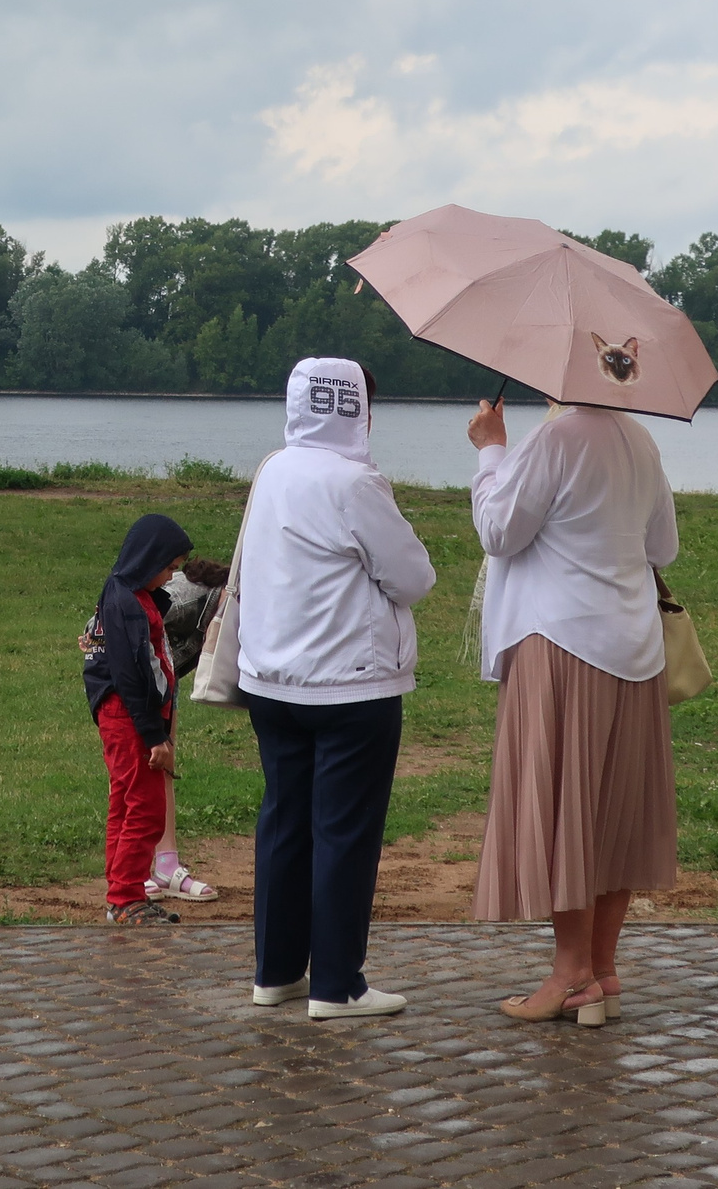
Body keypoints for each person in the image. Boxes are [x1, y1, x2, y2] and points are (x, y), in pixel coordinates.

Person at [466, 397, 680, 1028]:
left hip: (560, 643)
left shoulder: (552, 440)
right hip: (634, 648)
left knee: (566, 811)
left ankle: (569, 973)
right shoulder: (641, 440)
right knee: (613, 812)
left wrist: (490, 449)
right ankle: (602, 972)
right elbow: (662, 546)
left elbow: (498, 531)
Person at [237, 357, 435, 1019]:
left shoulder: (272, 470)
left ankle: (277, 971)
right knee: (345, 833)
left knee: (284, 824)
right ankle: (337, 984)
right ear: (356, 411)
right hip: (353, 686)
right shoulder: (357, 481)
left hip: (271, 679)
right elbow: (413, 577)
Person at [83, 513, 194, 925]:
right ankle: (127, 897)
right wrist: (154, 735)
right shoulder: (127, 602)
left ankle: (120, 895)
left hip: (129, 716)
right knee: (146, 808)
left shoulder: (130, 594)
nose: (169, 578)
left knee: (125, 803)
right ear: (148, 559)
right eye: (167, 568)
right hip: (131, 718)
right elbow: (131, 674)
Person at [147, 558, 230, 904]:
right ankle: (132, 867)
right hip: (132, 685)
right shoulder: (183, 598)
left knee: (164, 767)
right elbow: (112, 626)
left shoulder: (224, 606)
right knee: (137, 770)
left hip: (164, 684)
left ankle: (166, 864)